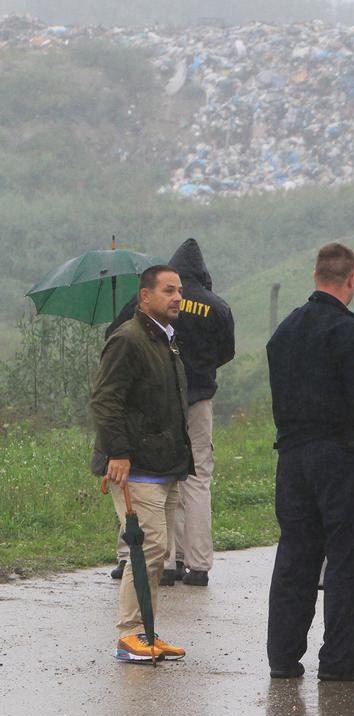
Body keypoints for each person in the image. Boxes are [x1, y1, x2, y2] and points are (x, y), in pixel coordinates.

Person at [265, 243, 354, 681]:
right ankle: (339, 658)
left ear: (315, 276)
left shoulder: (285, 331)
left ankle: (283, 658)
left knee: (295, 556)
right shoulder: (352, 332)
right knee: (349, 558)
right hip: (340, 459)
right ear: (352, 279)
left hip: (292, 460)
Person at [108, 238, 235, 587]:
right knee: (196, 479)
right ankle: (196, 564)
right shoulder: (217, 307)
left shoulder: (144, 301)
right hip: (199, 400)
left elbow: (114, 335)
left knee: (150, 472)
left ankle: (146, 559)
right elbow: (226, 352)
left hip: (155, 401)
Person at [90, 265, 195, 662]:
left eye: (179, 291)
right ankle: (129, 633)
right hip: (136, 468)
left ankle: (147, 633)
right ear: (144, 296)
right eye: (168, 291)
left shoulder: (165, 340)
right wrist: (117, 452)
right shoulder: (128, 340)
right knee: (146, 549)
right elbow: (105, 400)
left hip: (165, 466)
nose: (177, 298)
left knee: (157, 552)